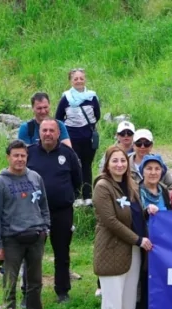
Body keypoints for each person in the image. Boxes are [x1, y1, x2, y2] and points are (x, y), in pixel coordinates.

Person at [93, 145, 153, 309]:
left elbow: (135, 214)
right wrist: (138, 240)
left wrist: (149, 213)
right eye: (114, 161)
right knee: (113, 306)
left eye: (122, 161)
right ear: (107, 164)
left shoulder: (130, 185)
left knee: (128, 303)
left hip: (133, 252)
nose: (119, 164)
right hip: (112, 251)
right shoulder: (103, 187)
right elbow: (110, 221)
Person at [0, 140, 50, 309]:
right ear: (8, 157)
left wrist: (46, 227)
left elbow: (44, 205)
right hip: (11, 239)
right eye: (16, 155)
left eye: (23, 155)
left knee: (35, 281)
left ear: (27, 157)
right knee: (10, 281)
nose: (20, 159)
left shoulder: (35, 178)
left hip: (36, 236)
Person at [25, 119, 82, 303]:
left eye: (52, 130)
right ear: (39, 133)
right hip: (34, 212)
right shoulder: (29, 153)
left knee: (62, 252)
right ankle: (29, 293)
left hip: (61, 211)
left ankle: (63, 291)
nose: (48, 133)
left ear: (58, 133)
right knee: (32, 253)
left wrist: (65, 195)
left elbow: (77, 180)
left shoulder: (68, 154)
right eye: (44, 130)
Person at [131, 156, 165, 309]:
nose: (153, 172)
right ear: (142, 171)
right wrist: (146, 212)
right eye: (149, 168)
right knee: (143, 292)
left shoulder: (165, 193)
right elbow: (134, 217)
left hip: (164, 252)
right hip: (145, 249)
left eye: (157, 168)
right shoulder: (136, 192)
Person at [56, 68, 101, 206]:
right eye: (75, 79)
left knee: (87, 166)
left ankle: (88, 196)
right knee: (75, 166)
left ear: (85, 79)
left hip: (88, 138)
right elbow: (58, 117)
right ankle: (76, 196)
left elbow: (97, 115)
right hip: (71, 138)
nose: (79, 81)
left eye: (81, 78)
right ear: (71, 81)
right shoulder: (66, 98)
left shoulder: (92, 96)